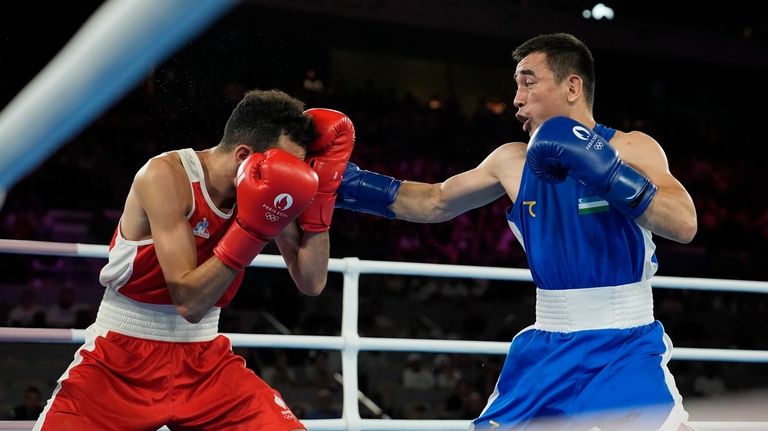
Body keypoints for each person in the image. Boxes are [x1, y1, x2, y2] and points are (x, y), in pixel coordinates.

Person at [335, 33, 698, 430]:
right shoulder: (512, 161)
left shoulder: (630, 148)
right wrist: (342, 184)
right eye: (516, 86)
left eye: (528, 81)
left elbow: (683, 224)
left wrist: (606, 172)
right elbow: (433, 201)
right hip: (548, 345)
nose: (516, 99)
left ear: (572, 86)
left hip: (625, 347)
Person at [33, 89, 355, 430]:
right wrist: (252, 232)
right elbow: (189, 301)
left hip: (205, 361)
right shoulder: (165, 176)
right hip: (120, 359)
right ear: (244, 155)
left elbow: (312, 281)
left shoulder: (267, 186)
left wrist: (322, 201)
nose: (290, 175)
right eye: (284, 165)